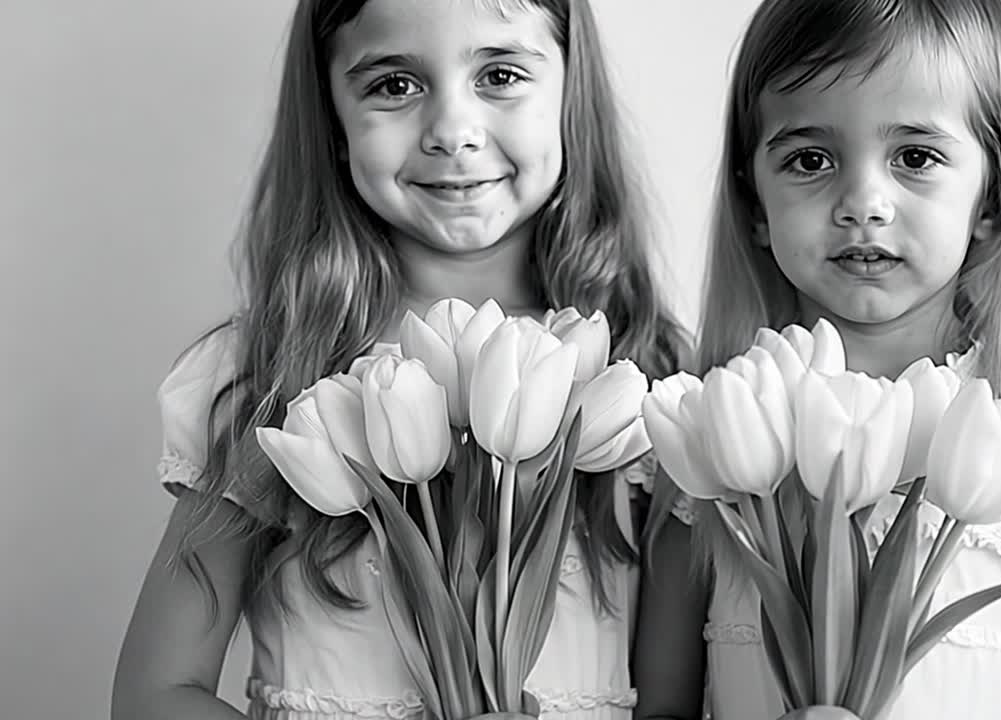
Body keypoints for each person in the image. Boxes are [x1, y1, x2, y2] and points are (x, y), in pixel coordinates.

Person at [112, 1, 685, 718]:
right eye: (393, 84)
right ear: (331, 116)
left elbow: (675, 703)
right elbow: (157, 694)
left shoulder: (642, 376)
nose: (451, 131)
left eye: (501, 74)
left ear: (572, 89)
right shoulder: (267, 374)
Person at [634, 1, 1001, 718]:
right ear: (754, 204)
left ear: (991, 196)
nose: (863, 201)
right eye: (809, 159)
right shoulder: (709, 446)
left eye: (915, 157)